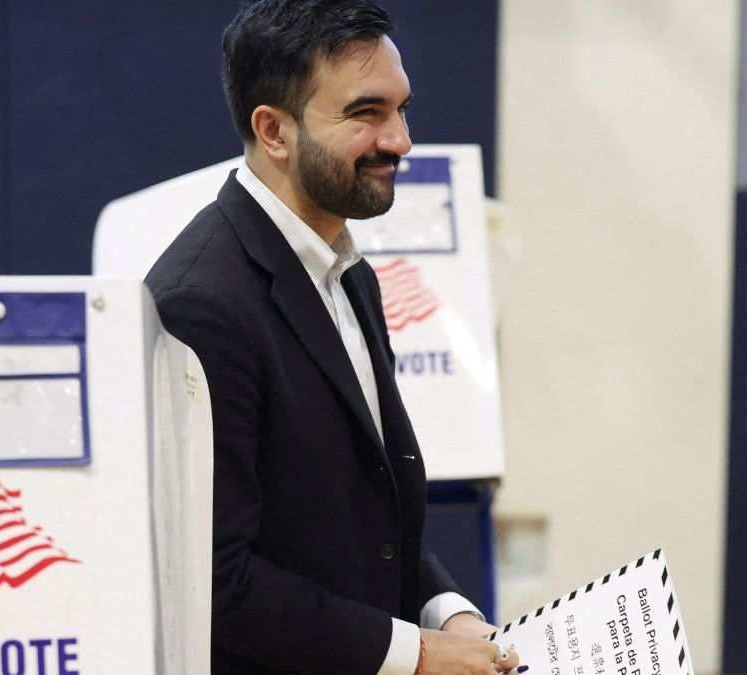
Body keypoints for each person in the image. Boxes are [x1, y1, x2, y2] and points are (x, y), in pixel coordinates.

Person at [145, 2, 521, 674]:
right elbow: (217, 579)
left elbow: (366, 525)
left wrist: (449, 613)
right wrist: (416, 654)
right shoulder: (202, 302)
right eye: (366, 113)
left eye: (402, 110)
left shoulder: (350, 275)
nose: (401, 140)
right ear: (274, 131)